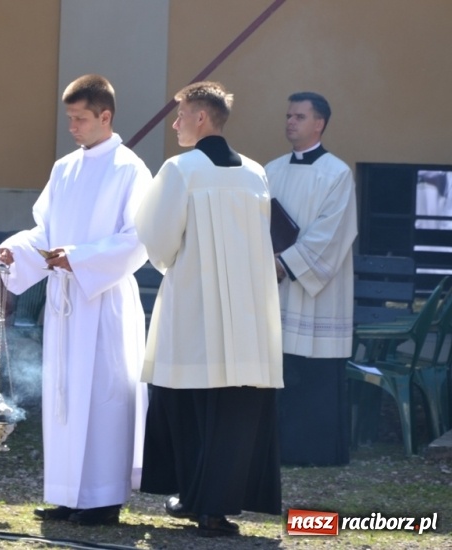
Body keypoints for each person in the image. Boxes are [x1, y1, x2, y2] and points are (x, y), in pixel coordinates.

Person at [0, 74, 151, 526]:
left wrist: (79, 259)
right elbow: (44, 232)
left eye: (81, 118)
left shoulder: (129, 169)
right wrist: (18, 249)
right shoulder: (64, 168)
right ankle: (66, 493)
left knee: (102, 396)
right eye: (69, 119)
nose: (73, 127)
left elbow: (137, 240)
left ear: (106, 116)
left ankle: (102, 499)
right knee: (63, 395)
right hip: (65, 303)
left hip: (102, 301)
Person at [135, 81, 283, 538]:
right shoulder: (256, 172)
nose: (176, 124)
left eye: (180, 115)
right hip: (250, 316)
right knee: (235, 409)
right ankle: (214, 508)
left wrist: (178, 267)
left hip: (195, 308)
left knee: (191, 403)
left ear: (201, 118)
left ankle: (194, 496)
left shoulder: (180, 170)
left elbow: (157, 239)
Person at [265, 92, 358, 466]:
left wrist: (284, 263)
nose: (290, 121)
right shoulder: (270, 171)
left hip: (315, 293)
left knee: (313, 372)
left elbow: (331, 234)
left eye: (299, 116)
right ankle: (275, 449)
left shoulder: (338, 173)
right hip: (276, 287)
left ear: (319, 123)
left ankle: (316, 451)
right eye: (288, 115)